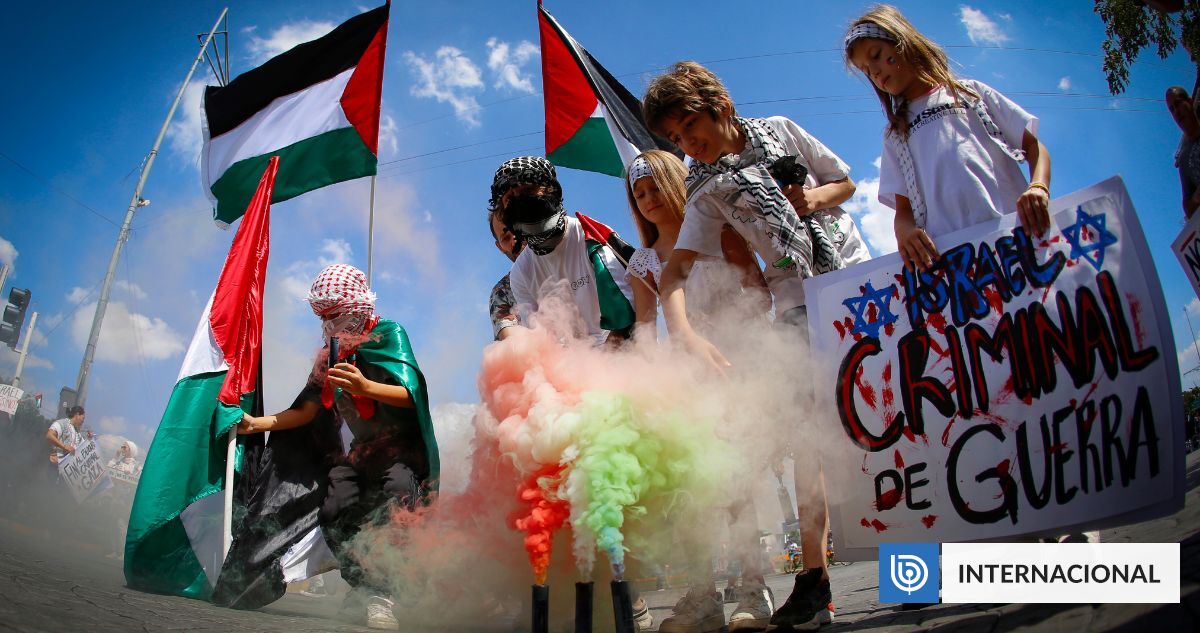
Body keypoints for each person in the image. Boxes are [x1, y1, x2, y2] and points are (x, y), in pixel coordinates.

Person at [643, 60, 871, 631]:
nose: (688, 143)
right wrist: (686, 333)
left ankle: (919, 558)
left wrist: (810, 200)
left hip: (856, 284)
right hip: (794, 302)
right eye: (675, 138)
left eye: (691, 125)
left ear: (719, 104)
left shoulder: (781, 131)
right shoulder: (705, 188)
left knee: (889, 415)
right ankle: (814, 579)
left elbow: (845, 182)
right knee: (809, 440)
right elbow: (674, 274)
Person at [239, 264, 439, 631]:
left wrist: (366, 387)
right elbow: (308, 409)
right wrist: (258, 423)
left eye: (334, 315)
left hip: (402, 454)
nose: (328, 325)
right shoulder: (331, 353)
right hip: (361, 453)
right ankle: (361, 587)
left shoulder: (389, 333)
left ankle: (381, 595)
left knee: (396, 498)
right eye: (323, 317)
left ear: (357, 307)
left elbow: (413, 395)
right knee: (334, 507)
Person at [623, 149, 775, 633]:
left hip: (734, 369)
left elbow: (758, 292)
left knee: (739, 486)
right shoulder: (643, 262)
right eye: (638, 193)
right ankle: (702, 596)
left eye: (654, 187)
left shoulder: (719, 230)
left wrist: (739, 340)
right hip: (684, 385)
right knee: (689, 492)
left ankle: (754, 590)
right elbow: (644, 329)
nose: (648, 199)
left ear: (676, 184)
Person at [844, 4, 1052, 272]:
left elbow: (1033, 146)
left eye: (876, 55)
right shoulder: (895, 134)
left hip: (1017, 238)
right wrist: (905, 233)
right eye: (865, 69)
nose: (873, 71)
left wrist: (1038, 187)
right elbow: (903, 209)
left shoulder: (971, 95)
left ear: (903, 40)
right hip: (956, 263)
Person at [491, 156, 636, 346]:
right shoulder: (521, 272)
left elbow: (627, 315)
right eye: (510, 199)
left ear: (550, 189)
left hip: (627, 354)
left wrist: (602, 362)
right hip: (574, 360)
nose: (520, 202)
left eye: (527, 191)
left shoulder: (591, 237)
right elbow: (543, 341)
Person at [487, 204, 525, 341]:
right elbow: (514, 345)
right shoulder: (502, 292)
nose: (515, 240)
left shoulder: (569, 259)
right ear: (500, 247)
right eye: (506, 237)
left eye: (518, 228)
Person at [1167, 86, 1200, 218]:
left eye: (1178, 103)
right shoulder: (1184, 158)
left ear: (1190, 102)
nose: (1176, 112)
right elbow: (1187, 208)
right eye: (1172, 109)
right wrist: (1196, 197)